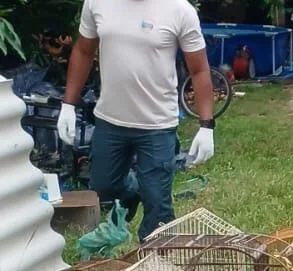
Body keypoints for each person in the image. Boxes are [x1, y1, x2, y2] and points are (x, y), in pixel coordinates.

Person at [57, 0, 216, 241]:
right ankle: (134, 191)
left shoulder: (179, 9)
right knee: (104, 186)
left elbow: (199, 70)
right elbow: (83, 51)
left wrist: (206, 126)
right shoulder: (97, 3)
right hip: (110, 121)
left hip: (157, 126)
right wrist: (68, 104)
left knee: (158, 207)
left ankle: (154, 264)